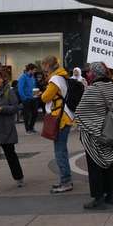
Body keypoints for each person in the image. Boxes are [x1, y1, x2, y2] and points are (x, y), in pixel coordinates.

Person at [75, 62, 113, 210]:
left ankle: (98, 198)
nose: (87, 74)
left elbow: (80, 112)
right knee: (109, 163)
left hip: (95, 135)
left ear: (95, 74)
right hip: (110, 131)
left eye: (89, 72)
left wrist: (94, 128)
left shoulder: (92, 89)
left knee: (95, 165)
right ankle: (111, 195)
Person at [40, 55, 74, 193]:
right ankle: (66, 179)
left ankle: (65, 181)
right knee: (62, 150)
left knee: (59, 151)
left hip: (60, 118)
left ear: (47, 65)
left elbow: (45, 97)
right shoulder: (63, 76)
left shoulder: (55, 79)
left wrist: (43, 92)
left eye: (44, 66)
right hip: (65, 116)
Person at [17, 64, 38, 135]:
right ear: (30, 70)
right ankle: (27, 129)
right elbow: (20, 89)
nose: (35, 72)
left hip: (33, 98)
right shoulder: (23, 77)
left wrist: (36, 94)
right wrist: (24, 98)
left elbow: (34, 87)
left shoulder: (33, 77)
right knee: (27, 115)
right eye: (34, 70)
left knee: (35, 113)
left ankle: (31, 127)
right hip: (26, 99)